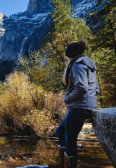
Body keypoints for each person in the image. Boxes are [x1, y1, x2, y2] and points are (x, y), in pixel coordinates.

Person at [49, 39, 99, 168]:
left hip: (80, 106)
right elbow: (96, 88)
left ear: (69, 55)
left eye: (66, 56)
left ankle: (71, 165)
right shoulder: (88, 64)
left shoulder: (77, 65)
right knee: (61, 131)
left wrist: (67, 99)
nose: (66, 59)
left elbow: (82, 87)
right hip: (84, 104)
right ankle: (61, 162)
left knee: (70, 138)